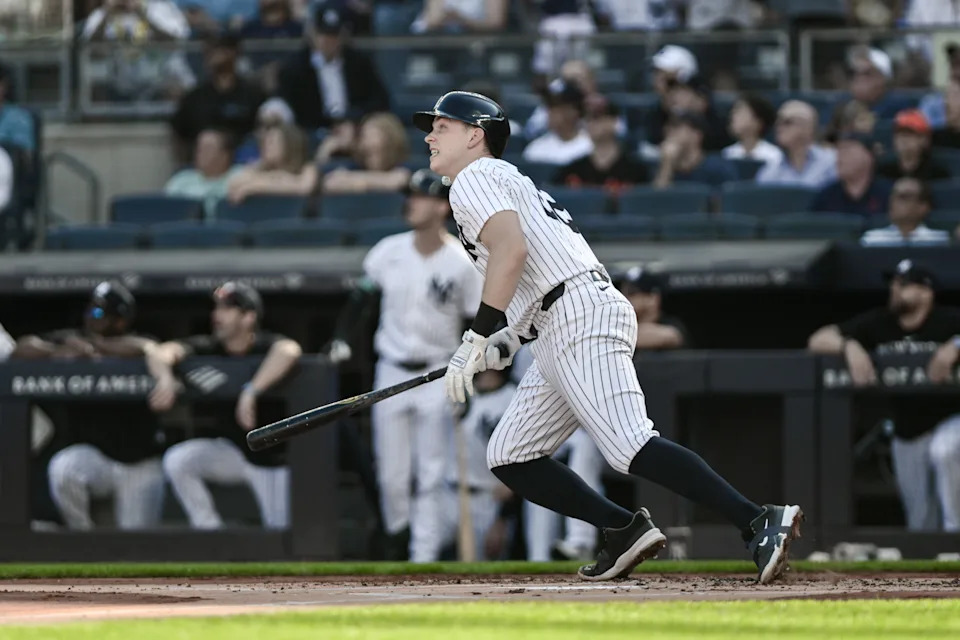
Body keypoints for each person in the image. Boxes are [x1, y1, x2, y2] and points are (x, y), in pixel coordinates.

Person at [413, 90, 802, 583]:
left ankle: (758, 519)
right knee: (510, 454)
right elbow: (532, 270)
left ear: (475, 135)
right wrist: (507, 340)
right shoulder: (495, 180)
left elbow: (510, 253)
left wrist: (475, 337)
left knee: (628, 445)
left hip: (578, 314)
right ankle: (622, 529)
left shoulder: (475, 176)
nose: (429, 135)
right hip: (559, 319)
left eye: (441, 127)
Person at [326, 169, 483, 562]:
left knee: (430, 473)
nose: (411, 202)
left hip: (437, 372)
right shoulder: (387, 251)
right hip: (392, 369)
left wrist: (468, 372)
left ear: (442, 206)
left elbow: (477, 321)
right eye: (411, 195)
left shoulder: (463, 262)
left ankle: (423, 556)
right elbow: (361, 301)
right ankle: (396, 540)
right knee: (392, 475)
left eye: (421, 196)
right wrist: (343, 338)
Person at [807, 259, 960, 532]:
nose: (895, 289)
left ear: (926, 292)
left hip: (950, 419)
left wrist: (956, 345)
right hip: (907, 429)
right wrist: (849, 345)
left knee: (945, 450)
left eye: (903, 284)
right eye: (893, 284)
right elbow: (818, 339)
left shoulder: (948, 320)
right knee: (920, 520)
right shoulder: (880, 323)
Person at [146, 282, 303, 529]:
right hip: (232, 450)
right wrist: (165, 378)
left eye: (227, 309)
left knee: (281, 533)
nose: (216, 315)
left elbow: (290, 350)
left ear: (249, 317)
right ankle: (210, 530)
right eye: (217, 308)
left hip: (269, 458)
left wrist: (251, 391)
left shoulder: (265, 345)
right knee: (179, 460)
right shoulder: (210, 347)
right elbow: (161, 352)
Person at [13, 282, 166, 530]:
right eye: (90, 310)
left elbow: (147, 347)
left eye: (98, 313)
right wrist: (56, 351)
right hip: (98, 461)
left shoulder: (140, 342)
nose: (90, 317)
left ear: (120, 321)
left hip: (139, 463)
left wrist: (95, 348)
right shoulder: (72, 339)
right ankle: (81, 534)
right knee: (64, 467)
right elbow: (22, 348)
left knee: (137, 547)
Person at [276, 1, 389, 131]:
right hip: (311, 133)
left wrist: (354, 117)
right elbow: (289, 104)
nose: (328, 41)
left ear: (343, 35)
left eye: (333, 35)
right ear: (312, 33)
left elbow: (380, 99)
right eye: (323, 34)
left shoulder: (359, 63)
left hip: (355, 130)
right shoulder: (295, 67)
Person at [170, 33, 266, 158]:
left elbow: (264, 132)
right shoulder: (194, 97)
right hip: (204, 168)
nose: (211, 54)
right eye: (208, 50)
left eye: (218, 48)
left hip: (244, 165)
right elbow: (179, 134)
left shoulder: (253, 95)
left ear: (234, 52)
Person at [553, 100, 648, 193]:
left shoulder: (636, 171)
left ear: (614, 122)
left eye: (597, 117)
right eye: (587, 118)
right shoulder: (572, 171)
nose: (591, 122)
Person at [319, 112, 412, 194]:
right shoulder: (353, 167)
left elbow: (398, 181)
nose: (367, 144)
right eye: (365, 137)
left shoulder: (401, 169)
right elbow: (330, 183)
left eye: (373, 136)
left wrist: (354, 181)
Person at [226, 123, 317, 203]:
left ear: (289, 145)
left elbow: (304, 188)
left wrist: (255, 186)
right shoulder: (258, 167)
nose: (265, 147)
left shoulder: (307, 168)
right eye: (264, 142)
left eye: (271, 142)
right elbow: (234, 184)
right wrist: (276, 178)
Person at [756, 100, 837, 188]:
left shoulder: (832, 163)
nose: (779, 127)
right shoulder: (770, 171)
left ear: (808, 128)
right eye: (778, 122)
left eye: (787, 122)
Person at [164, 129, 243, 218]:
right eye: (199, 148)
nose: (200, 153)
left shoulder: (241, 175)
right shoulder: (181, 180)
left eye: (207, 148)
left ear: (225, 155)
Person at [811, 132, 891, 217]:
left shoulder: (888, 195)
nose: (840, 157)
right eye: (839, 151)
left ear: (869, 156)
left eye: (847, 151)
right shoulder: (826, 197)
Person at [653, 111, 737, 189]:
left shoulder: (718, 167)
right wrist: (667, 164)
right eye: (668, 127)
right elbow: (658, 201)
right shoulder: (664, 166)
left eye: (676, 127)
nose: (669, 132)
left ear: (697, 135)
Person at [521, 79, 594, 166]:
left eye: (557, 106)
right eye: (549, 106)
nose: (550, 112)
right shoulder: (535, 149)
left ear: (575, 111)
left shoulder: (591, 147)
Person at [861, 177, 950, 247]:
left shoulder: (939, 241)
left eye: (904, 196)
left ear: (923, 207)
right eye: (893, 195)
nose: (895, 201)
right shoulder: (872, 240)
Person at [618, 267, 690, 350]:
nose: (624, 298)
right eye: (622, 293)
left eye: (632, 293)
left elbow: (671, 337)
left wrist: (614, 335)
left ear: (653, 298)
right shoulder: (621, 325)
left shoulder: (670, 323)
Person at [877, 110, 951, 182]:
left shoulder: (937, 174)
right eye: (899, 135)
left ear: (924, 140)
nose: (903, 140)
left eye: (909, 135)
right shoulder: (885, 172)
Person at [722, 93, 782, 167]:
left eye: (739, 112)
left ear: (758, 121)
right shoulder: (727, 154)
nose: (733, 117)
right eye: (733, 112)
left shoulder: (774, 156)